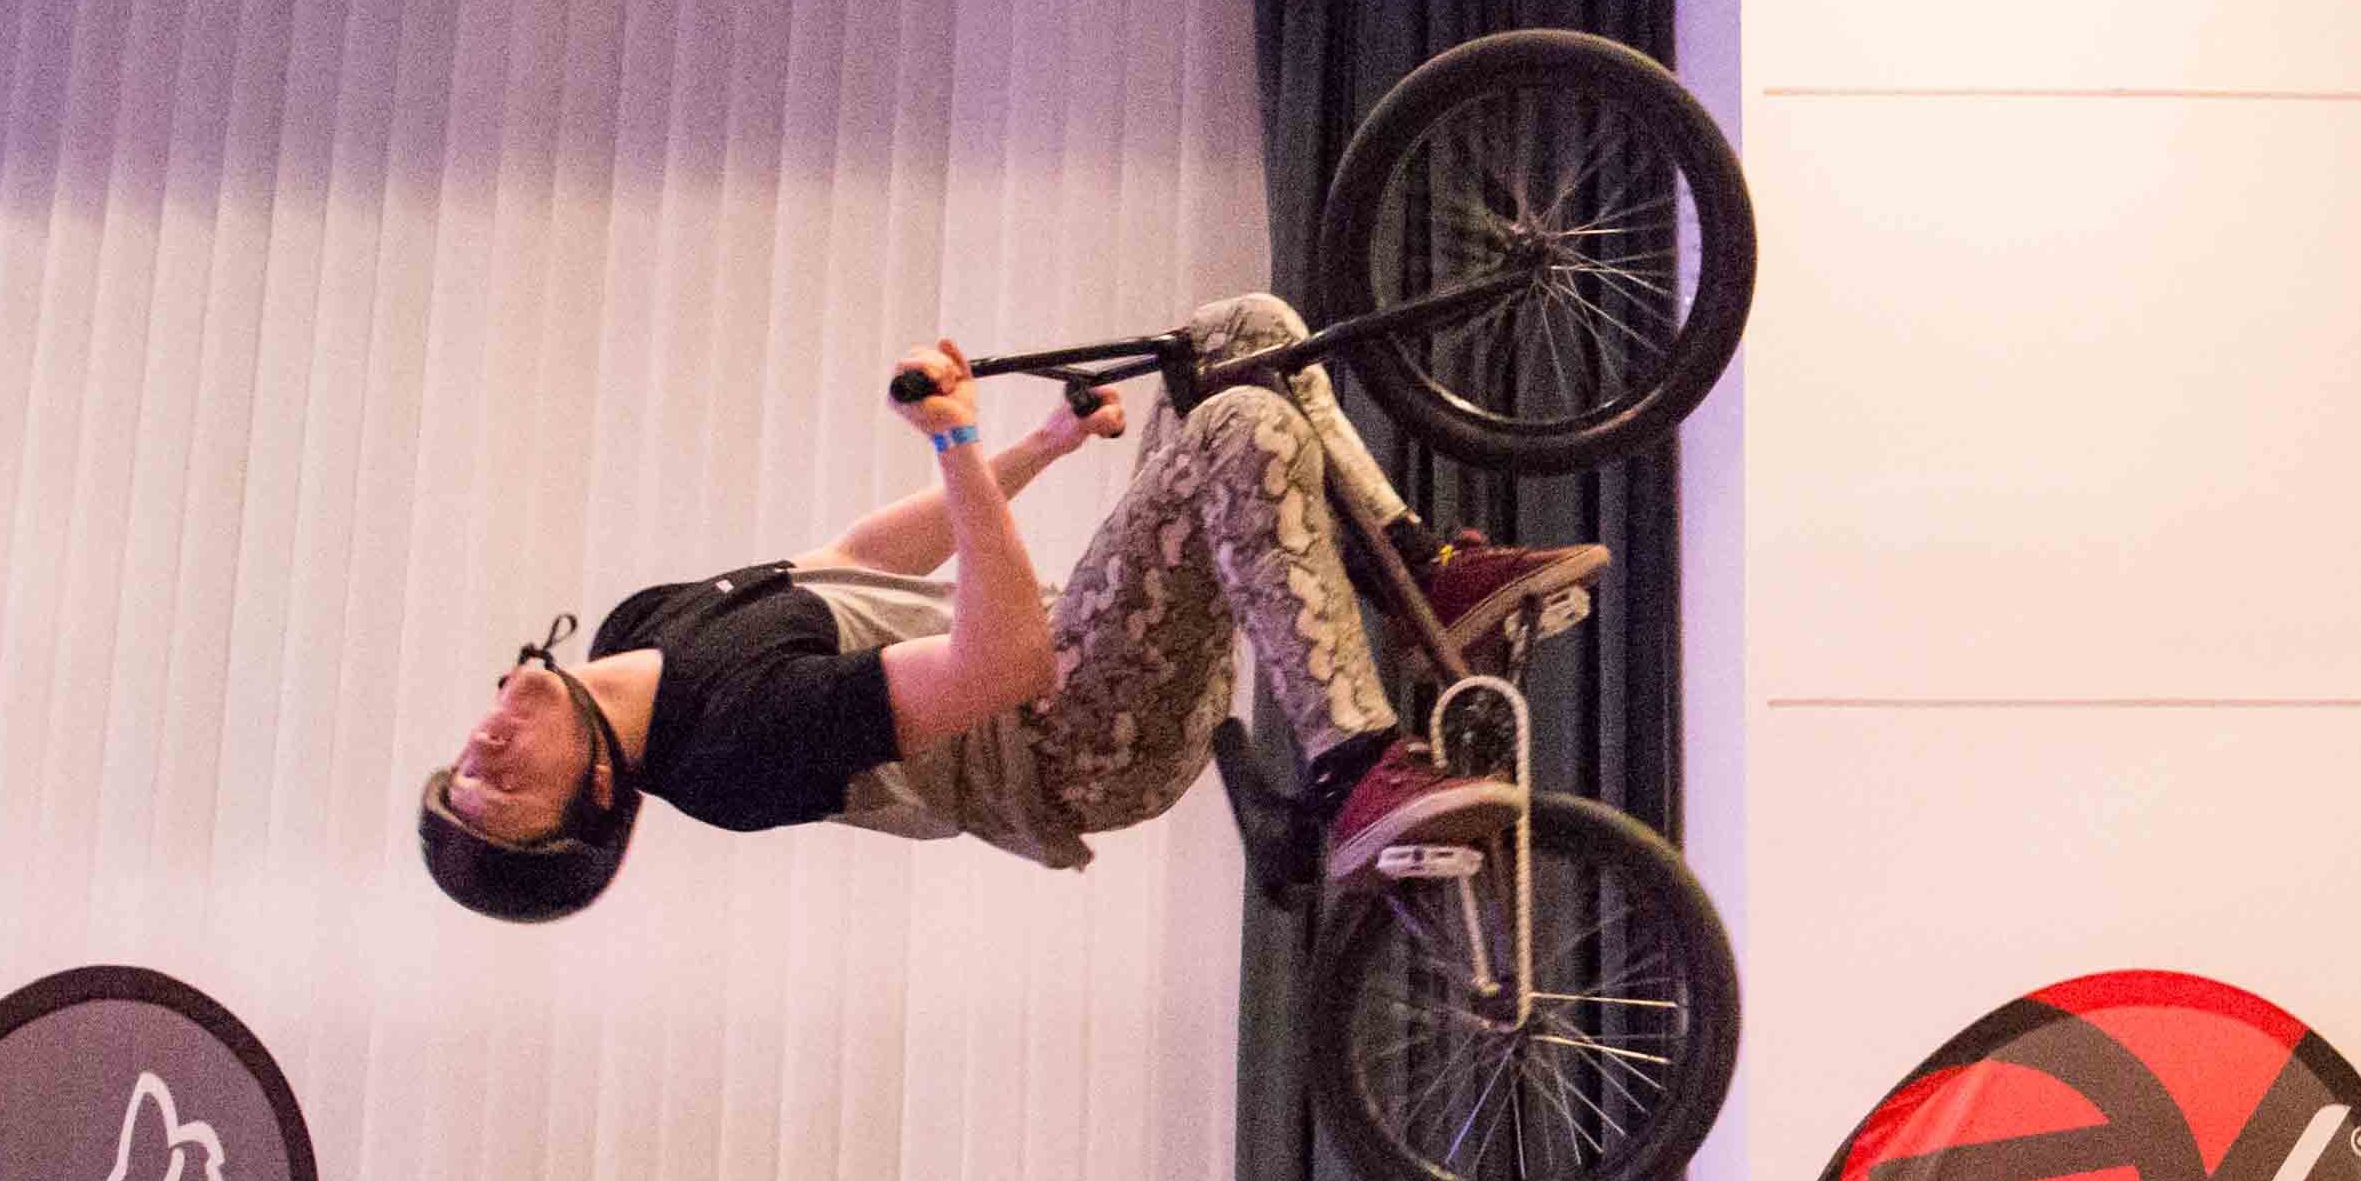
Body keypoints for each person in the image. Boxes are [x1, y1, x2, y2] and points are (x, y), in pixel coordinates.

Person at [415, 298, 1604, 921]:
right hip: (1071, 745)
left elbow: (851, 565)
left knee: (1239, 336)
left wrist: (1032, 446)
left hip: (1076, 642)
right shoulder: (726, 756)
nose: (482, 749)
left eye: (462, 769)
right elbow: (1004, 666)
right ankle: (1355, 780)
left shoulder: (640, 628)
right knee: (1238, 428)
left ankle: (1423, 578)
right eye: (499, 789)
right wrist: (954, 441)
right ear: (599, 794)